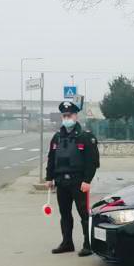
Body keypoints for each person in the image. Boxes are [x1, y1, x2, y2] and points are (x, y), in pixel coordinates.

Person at [46, 101, 100, 256]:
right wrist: (49, 178)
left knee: (84, 214)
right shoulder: (57, 138)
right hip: (61, 182)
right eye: (64, 115)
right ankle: (67, 243)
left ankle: (88, 244)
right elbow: (51, 159)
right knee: (65, 214)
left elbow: (92, 162)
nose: (66, 118)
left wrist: (87, 181)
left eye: (69, 115)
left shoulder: (85, 137)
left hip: (78, 182)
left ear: (76, 116)